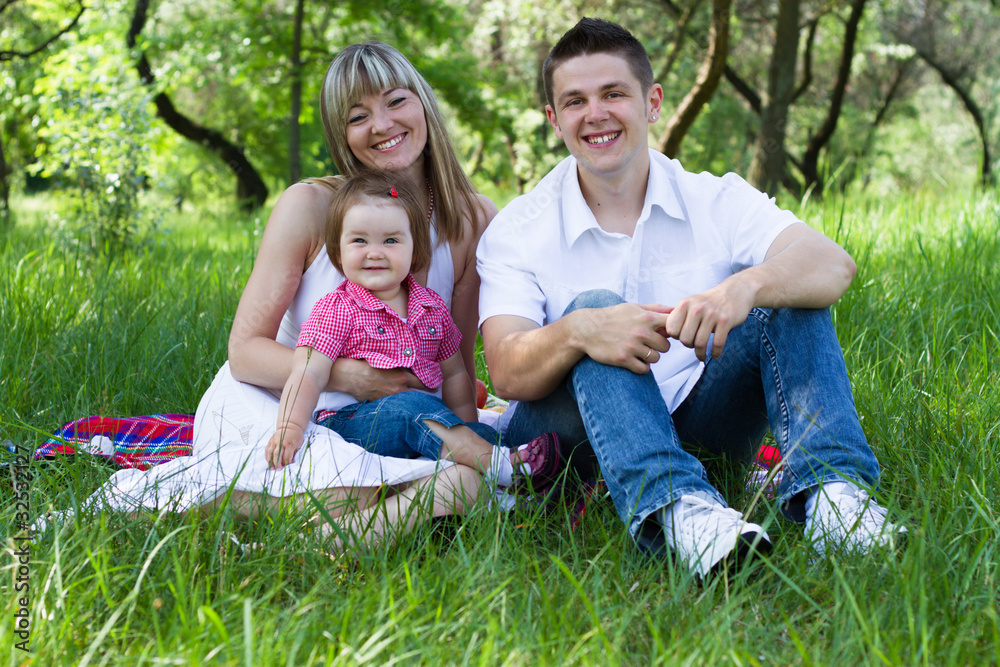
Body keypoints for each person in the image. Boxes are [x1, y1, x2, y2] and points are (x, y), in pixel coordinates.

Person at [476, 18, 907, 578]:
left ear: (652, 102)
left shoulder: (715, 199)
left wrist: (743, 287)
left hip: (702, 416)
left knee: (788, 293)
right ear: (555, 120)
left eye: (614, 94)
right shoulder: (519, 228)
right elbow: (506, 371)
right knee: (593, 306)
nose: (596, 114)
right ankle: (682, 512)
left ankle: (835, 500)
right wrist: (581, 329)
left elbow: (832, 265)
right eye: (575, 101)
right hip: (568, 439)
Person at [53, 41, 501, 552]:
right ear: (342, 135)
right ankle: (325, 520)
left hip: (386, 422)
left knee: (466, 479)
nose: (381, 124)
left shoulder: (472, 218)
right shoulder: (309, 206)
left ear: (423, 104)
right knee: (356, 493)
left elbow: (455, 365)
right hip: (272, 401)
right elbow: (244, 351)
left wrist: (459, 431)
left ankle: (316, 526)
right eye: (358, 115)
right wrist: (353, 377)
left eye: (395, 101)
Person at [265, 170, 561, 494]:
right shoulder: (335, 309)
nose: (375, 252)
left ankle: (501, 482)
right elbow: (307, 372)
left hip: (422, 423)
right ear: (338, 252)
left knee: (482, 437)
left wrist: (468, 427)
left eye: (390, 240)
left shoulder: (431, 308)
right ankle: (499, 467)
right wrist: (289, 427)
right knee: (408, 409)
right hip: (350, 423)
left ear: (415, 251)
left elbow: (455, 376)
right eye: (359, 240)